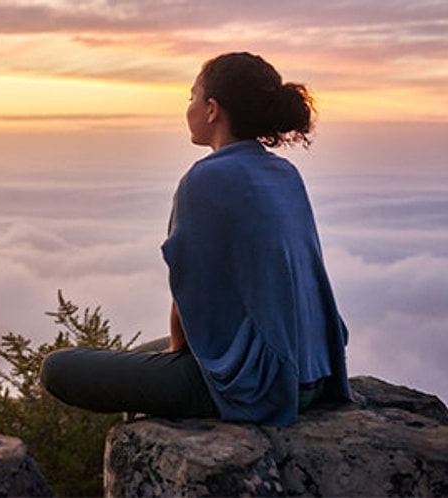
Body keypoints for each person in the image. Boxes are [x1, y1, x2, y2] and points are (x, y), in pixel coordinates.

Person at [40, 52, 351, 426]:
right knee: (140, 354)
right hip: (313, 372)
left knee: (58, 369)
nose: (188, 107)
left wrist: (179, 359)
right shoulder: (284, 173)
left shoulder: (205, 180)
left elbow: (189, 298)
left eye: (191, 97)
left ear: (211, 110)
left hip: (263, 387)